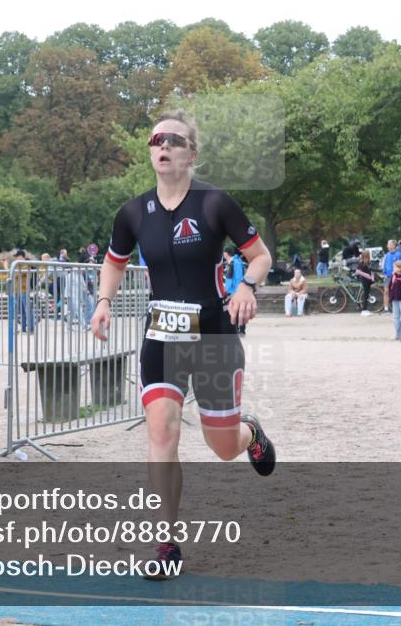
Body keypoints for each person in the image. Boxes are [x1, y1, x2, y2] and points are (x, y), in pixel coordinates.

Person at [91, 110, 276, 579]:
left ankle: (249, 434)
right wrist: (103, 301)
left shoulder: (215, 204)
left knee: (221, 447)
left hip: (213, 335)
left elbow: (260, 256)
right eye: (157, 139)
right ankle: (166, 545)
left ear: (191, 153)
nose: (164, 145)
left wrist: (246, 287)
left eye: (174, 140)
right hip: (161, 338)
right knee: (161, 434)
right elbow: (114, 262)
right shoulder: (132, 213)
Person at [381, 239, 401, 313]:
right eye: (388, 244)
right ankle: (386, 308)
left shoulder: (398, 254)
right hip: (387, 276)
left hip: (395, 276)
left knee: (396, 291)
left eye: (389, 244)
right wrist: (384, 272)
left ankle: (397, 308)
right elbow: (385, 264)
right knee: (386, 291)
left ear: (393, 245)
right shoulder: (387, 254)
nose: (387, 246)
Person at [354, 249, 376, 317]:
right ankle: (364, 310)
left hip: (368, 281)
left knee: (366, 295)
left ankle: (365, 309)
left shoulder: (368, 263)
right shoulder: (362, 263)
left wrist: (372, 278)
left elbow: (371, 271)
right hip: (365, 281)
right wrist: (367, 276)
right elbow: (357, 271)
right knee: (365, 295)